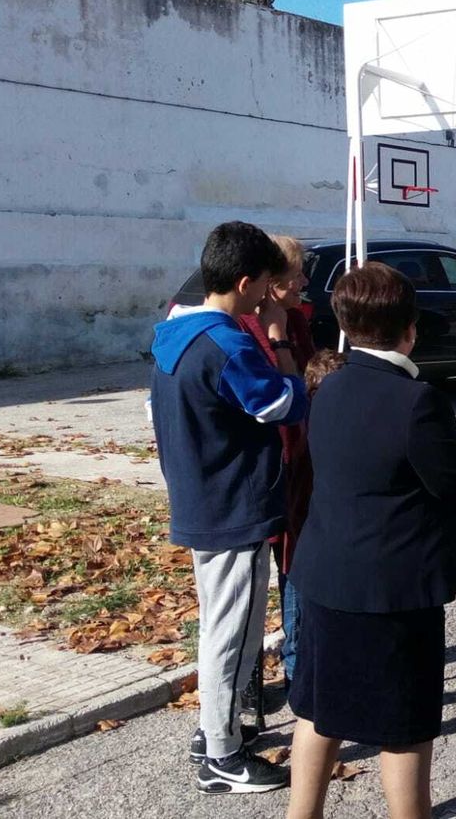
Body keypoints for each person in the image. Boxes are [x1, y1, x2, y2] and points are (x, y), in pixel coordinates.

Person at [285, 263, 456, 819]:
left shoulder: (326, 385)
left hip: (326, 573)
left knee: (318, 707)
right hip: (394, 588)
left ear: (345, 325)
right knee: (404, 722)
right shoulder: (417, 401)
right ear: (411, 328)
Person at [148, 221, 304, 794]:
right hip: (233, 505)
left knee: (223, 624)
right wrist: (281, 344)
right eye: (265, 283)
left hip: (202, 497)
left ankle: (216, 731)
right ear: (245, 283)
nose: (268, 293)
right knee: (231, 632)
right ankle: (221, 756)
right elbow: (283, 404)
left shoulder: (175, 334)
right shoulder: (229, 344)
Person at [234, 234, 317, 687]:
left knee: (295, 566)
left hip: (299, 464)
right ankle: (247, 681)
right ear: (269, 284)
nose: (303, 282)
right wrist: (278, 339)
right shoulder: (241, 330)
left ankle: (297, 667)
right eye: (294, 277)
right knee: (249, 579)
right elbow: (281, 397)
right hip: (261, 470)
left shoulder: (296, 319)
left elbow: (309, 380)